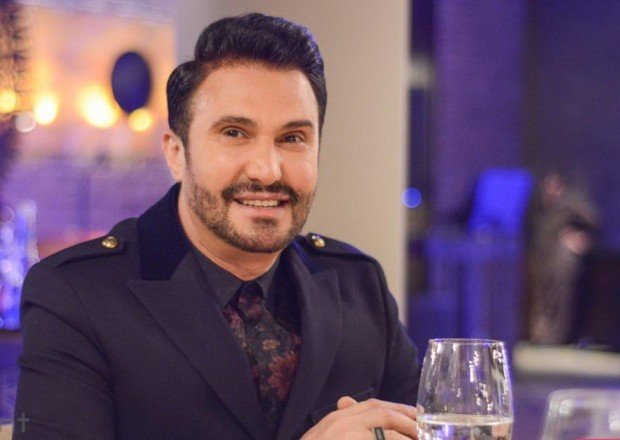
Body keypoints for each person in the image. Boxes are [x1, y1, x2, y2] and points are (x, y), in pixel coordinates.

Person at [13, 13, 419, 440]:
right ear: (176, 153)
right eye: (234, 133)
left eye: (293, 138)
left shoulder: (360, 285)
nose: (267, 170)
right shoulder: (78, 294)